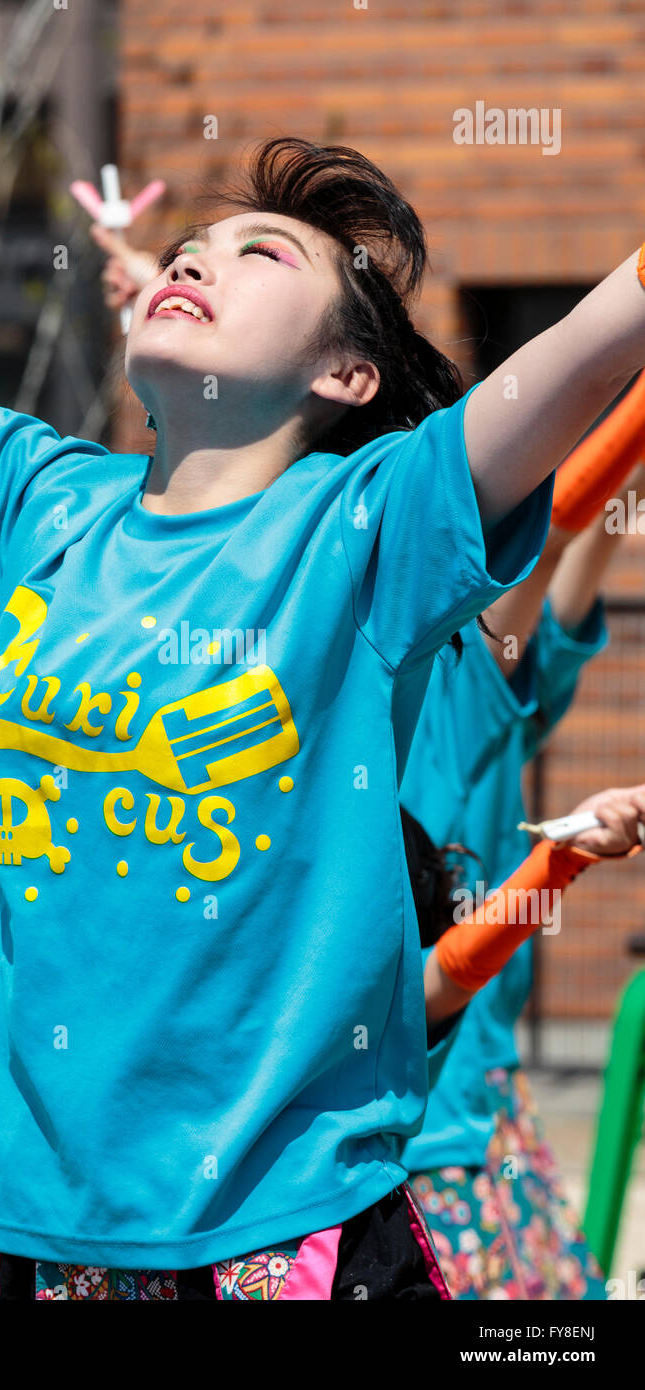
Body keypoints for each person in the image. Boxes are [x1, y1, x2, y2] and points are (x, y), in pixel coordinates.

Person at [0, 134, 644, 1299]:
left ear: (345, 374)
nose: (200, 258)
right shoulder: (34, 504)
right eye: (192, 244)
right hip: (24, 1239)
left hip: (279, 1237)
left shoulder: (369, 527)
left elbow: (588, 352)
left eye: (262, 251)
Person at [399, 388, 645, 1300]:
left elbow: (570, 538)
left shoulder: (468, 687)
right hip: (421, 1113)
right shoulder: (404, 688)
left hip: (466, 1094)